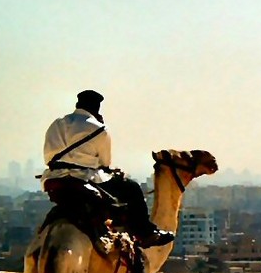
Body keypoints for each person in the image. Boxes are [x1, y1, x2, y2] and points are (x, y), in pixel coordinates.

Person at [40, 90, 174, 249]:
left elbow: (48, 156)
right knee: (132, 189)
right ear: (97, 108)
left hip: (54, 180)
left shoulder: (57, 124)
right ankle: (145, 233)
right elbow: (105, 163)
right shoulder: (99, 129)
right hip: (84, 179)